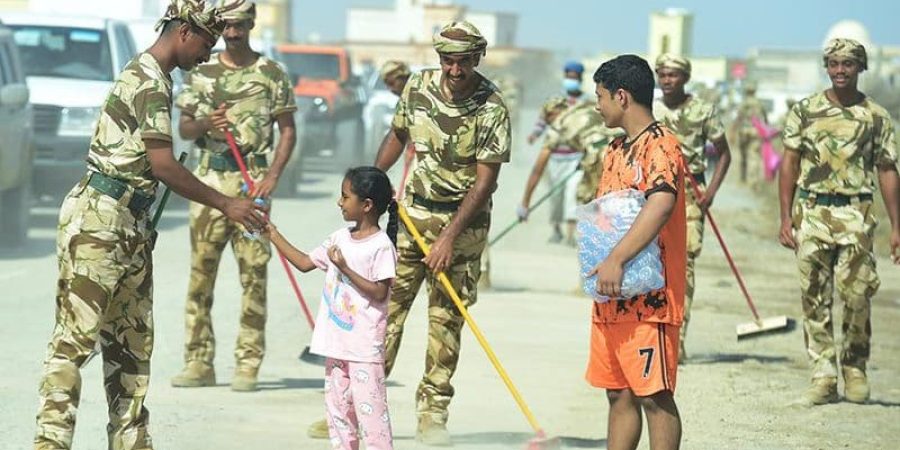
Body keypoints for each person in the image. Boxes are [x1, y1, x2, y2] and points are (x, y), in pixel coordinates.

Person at [33, 1, 267, 449]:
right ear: (183, 32)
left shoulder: (159, 78)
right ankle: (50, 443)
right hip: (101, 223)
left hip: (131, 225)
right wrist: (225, 203)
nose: (206, 55)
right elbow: (163, 165)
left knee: (131, 349)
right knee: (75, 343)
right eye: (205, 44)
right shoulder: (147, 80)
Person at [376, 20, 510, 446]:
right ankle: (363, 404)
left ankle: (433, 413)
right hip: (412, 219)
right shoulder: (416, 87)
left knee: (444, 321)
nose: (455, 70)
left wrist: (449, 238)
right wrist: (370, 181)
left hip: (461, 228)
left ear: (478, 58)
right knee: (385, 315)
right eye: (448, 61)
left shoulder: (491, 107)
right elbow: (398, 135)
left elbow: (485, 182)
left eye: (464, 61)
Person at [169, 0, 297, 393]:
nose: (233, 33)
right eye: (227, 26)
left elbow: (288, 130)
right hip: (210, 183)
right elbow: (186, 129)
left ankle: (248, 361)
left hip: (252, 183)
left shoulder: (272, 73)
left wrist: (272, 177)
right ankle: (198, 360)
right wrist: (209, 122)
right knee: (201, 275)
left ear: (252, 24)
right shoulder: (202, 71)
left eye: (240, 25)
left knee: (254, 275)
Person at [778, 38, 900, 406]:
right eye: (833, 64)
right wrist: (785, 216)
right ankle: (823, 374)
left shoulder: (876, 116)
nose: (840, 71)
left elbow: (887, 169)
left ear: (860, 68)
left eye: (848, 64)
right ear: (826, 67)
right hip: (813, 213)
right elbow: (789, 163)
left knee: (857, 294)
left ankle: (854, 366)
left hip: (857, 214)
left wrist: (897, 226)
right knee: (813, 296)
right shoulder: (805, 111)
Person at [587, 54, 686, 450]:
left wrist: (617, 258)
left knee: (654, 396)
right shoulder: (615, 149)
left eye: (601, 96)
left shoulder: (660, 146)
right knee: (618, 393)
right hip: (613, 296)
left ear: (622, 96)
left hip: (651, 300)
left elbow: (660, 204)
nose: (598, 105)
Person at [267, 166, 398, 450]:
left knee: (372, 421)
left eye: (345, 196)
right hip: (337, 347)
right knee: (339, 419)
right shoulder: (339, 238)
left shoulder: (381, 246)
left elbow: (379, 291)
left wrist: (344, 268)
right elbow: (304, 263)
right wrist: (272, 233)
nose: (339, 202)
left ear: (366, 205)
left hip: (364, 351)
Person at [653, 54, 731, 362]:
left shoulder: (703, 111)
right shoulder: (650, 108)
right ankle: (654, 330)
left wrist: (710, 192)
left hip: (690, 191)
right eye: (662, 74)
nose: (667, 80)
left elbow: (724, 153)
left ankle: (678, 336)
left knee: (683, 264)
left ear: (685, 78)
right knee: (651, 261)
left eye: (673, 75)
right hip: (654, 189)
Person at [732, 80, 768, 185]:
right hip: (756, 132)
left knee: (743, 156)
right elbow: (765, 119)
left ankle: (743, 178)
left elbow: (738, 118)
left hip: (744, 131)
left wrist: (733, 131)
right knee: (754, 156)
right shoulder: (759, 104)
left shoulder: (743, 103)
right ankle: (753, 181)